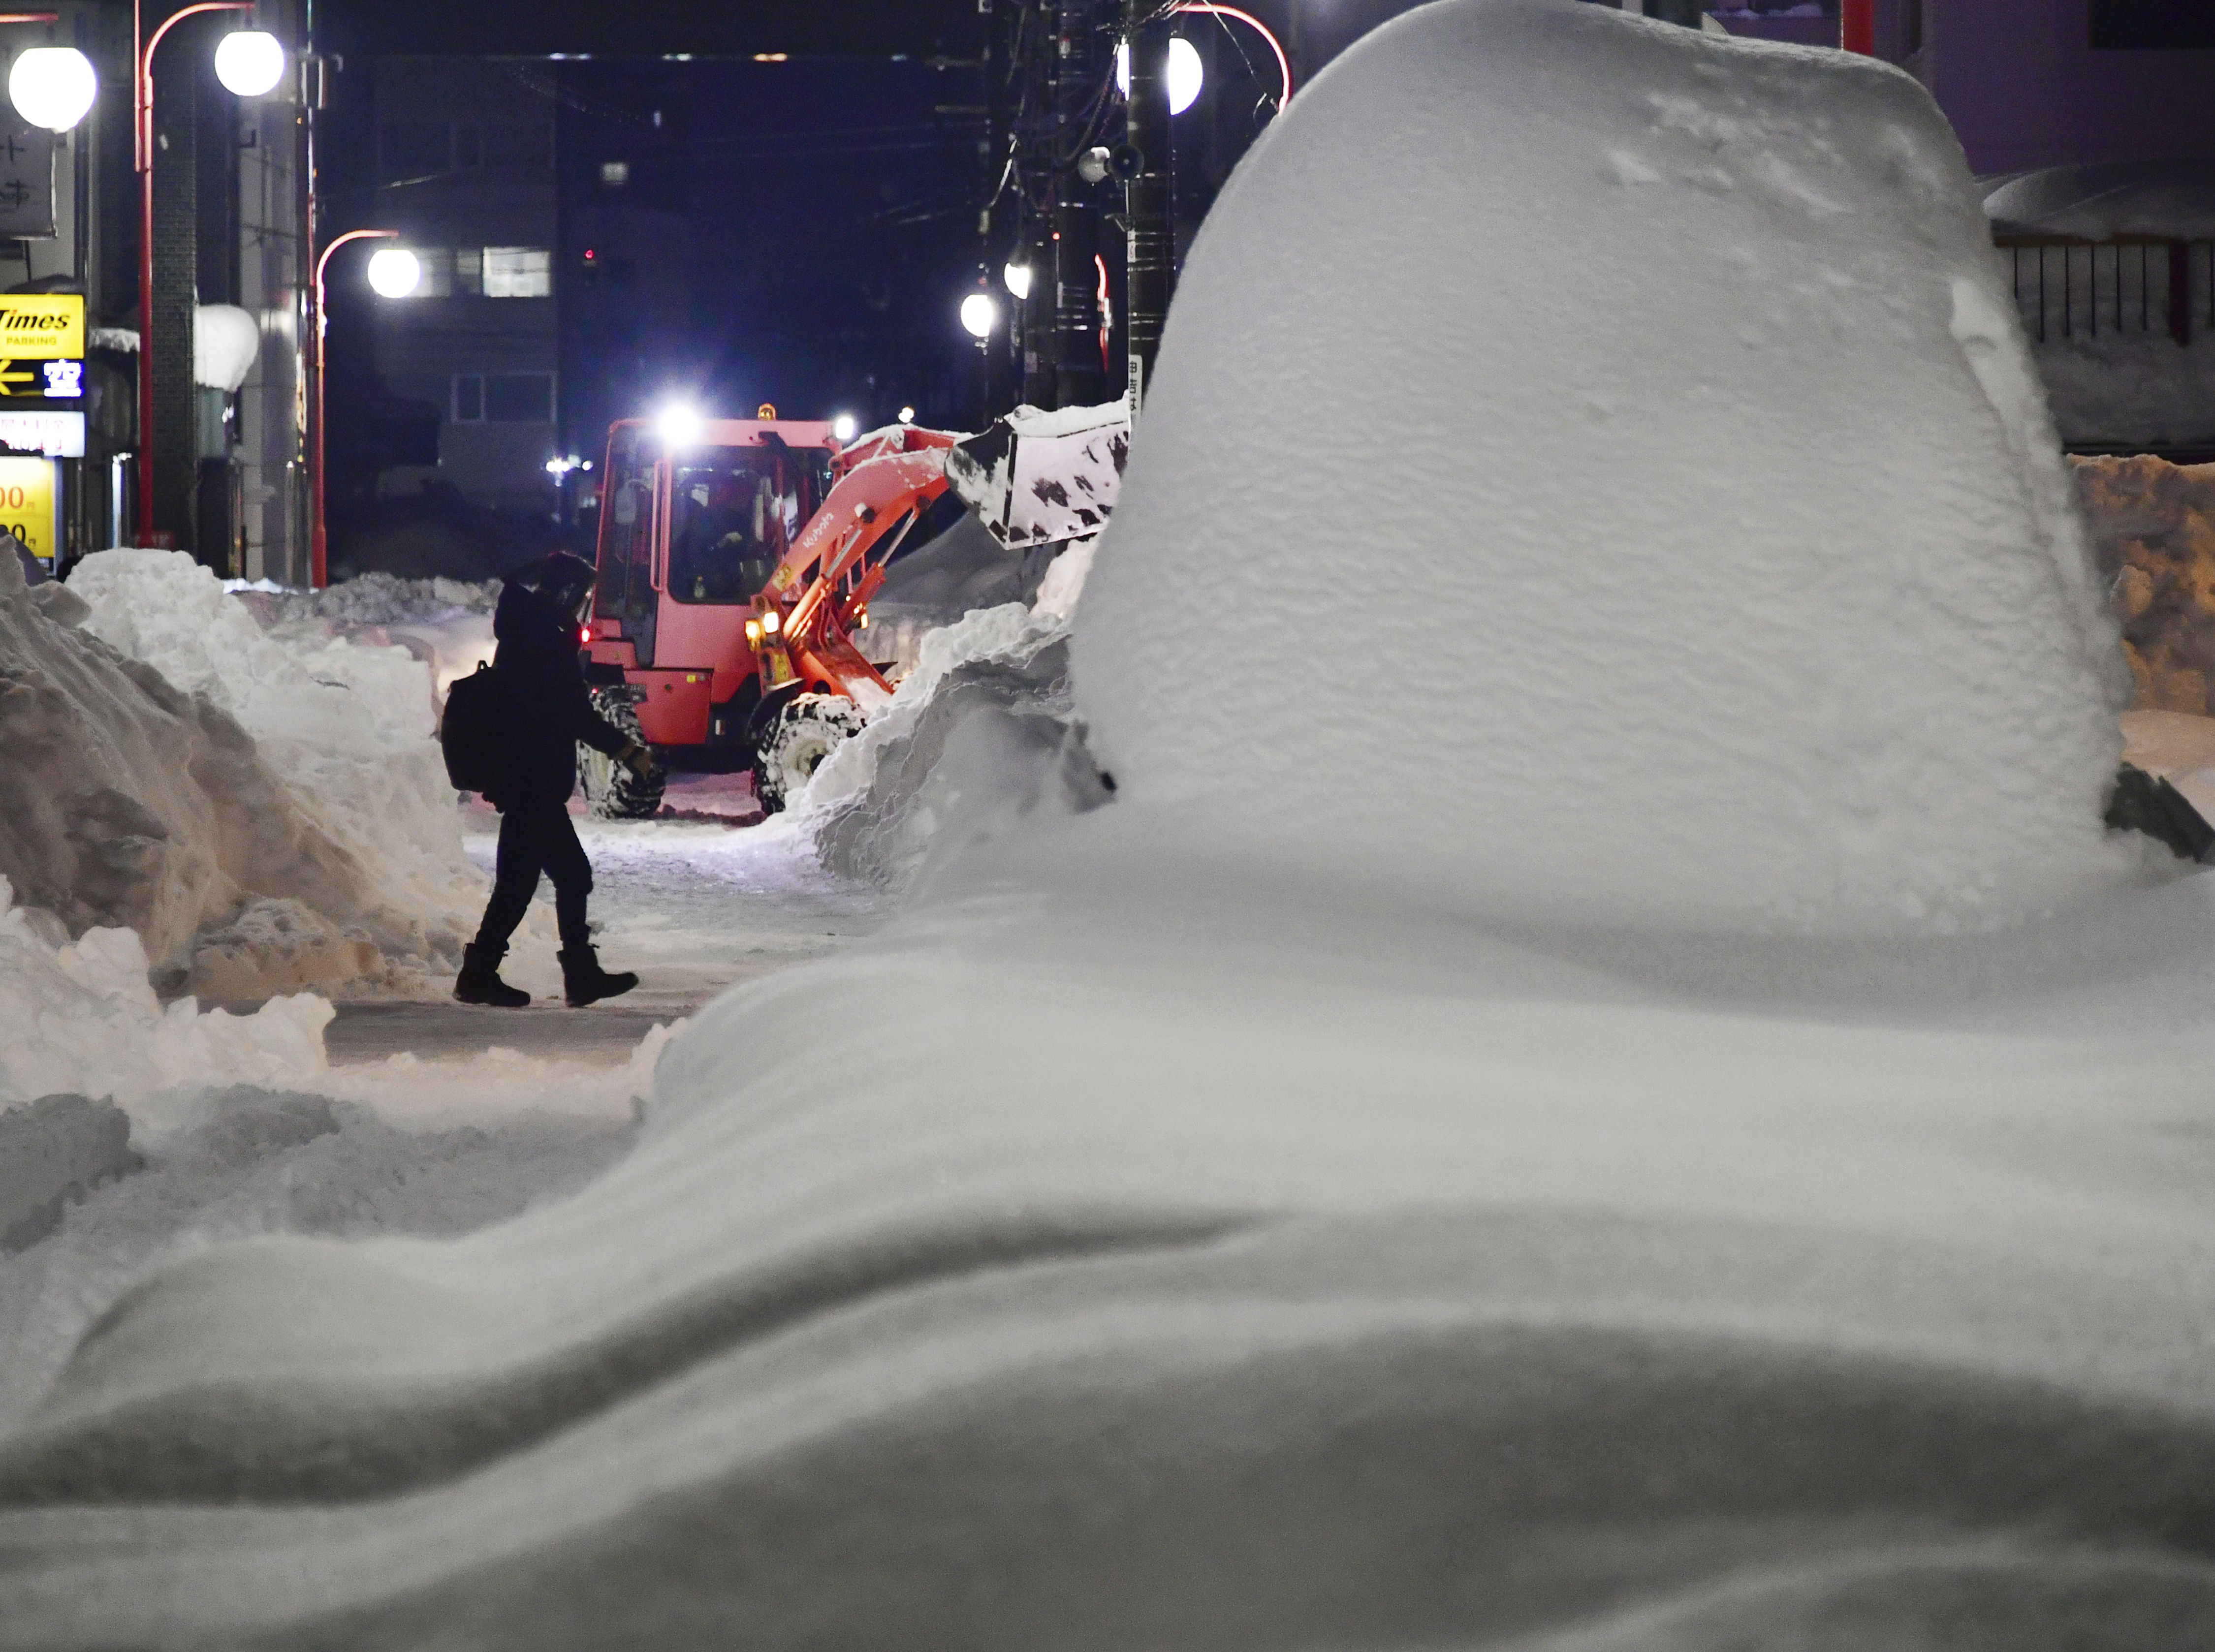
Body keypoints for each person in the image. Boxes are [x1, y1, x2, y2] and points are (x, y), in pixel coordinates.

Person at [455, 550, 655, 1009]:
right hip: (534, 780)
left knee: (543, 879)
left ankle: (507, 973)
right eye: (582, 595)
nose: (582, 604)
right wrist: (626, 750)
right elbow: (572, 712)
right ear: (567, 593)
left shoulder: (528, 632)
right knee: (555, 878)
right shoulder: (543, 640)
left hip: (527, 778)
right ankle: (527, 975)